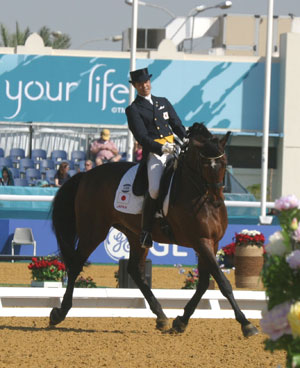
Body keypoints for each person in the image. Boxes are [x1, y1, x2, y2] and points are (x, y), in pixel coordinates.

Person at [126, 67, 187, 248]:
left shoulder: (163, 102)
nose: (144, 86)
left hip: (175, 148)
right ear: (135, 87)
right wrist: (161, 147)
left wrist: (185, 139)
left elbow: (177, 124)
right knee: (153, 190)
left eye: (146, 82)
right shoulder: (133, 109)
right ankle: (145, 231)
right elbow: (142, 137)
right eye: (140, 84)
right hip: (156, 154)